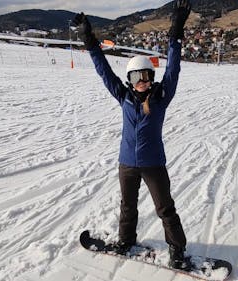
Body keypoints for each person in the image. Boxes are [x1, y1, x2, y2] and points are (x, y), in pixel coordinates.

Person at [72, 0, 191, 270]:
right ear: (129, 79)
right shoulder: (123, 96)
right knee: (127, 206)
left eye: (147, 76)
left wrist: (176, 32)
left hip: (153, 164)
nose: (143, 82)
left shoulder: (161, 97)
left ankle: (177, 249)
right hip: (126, 163)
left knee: (165, 209)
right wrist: (89, 40)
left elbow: (173, 69)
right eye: (137, 76)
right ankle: (126, 240)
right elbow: (104, 70)